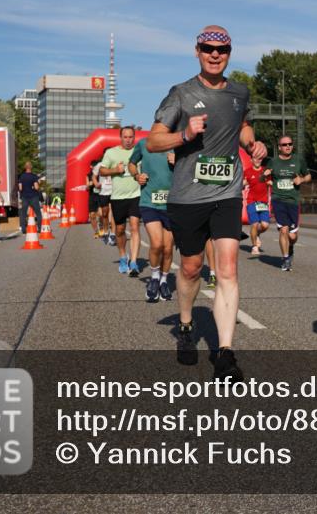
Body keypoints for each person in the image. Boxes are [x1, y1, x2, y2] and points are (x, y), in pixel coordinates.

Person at [146, 25, 267, 380]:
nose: (215, 55)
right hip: (187, 196)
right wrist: (184, 134)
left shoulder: (239, 92)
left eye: (222, 49)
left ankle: (225, 352)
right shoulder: (181, 94)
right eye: (208, 49)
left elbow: (241, 125)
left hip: (227, 193)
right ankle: (185, 326)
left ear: (230, 53)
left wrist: (250, 144)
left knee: (227, 268)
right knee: (190, 268)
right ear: (197, 51)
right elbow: (154, 141)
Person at [130, 138, 176, 302]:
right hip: (150, 202)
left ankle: (164, 281)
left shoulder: (178, 143)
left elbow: (192, 168)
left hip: (172, 203)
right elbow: (132, 163)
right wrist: (137, 176)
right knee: (156, 244)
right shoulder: (144, 143)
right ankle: (154, 278)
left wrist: (179, 162)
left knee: (168, 249)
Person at [100, 126, 142, 277]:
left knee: (135, 227)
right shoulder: (111, 153)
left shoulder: (139, 151)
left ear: (134, 137)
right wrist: (115, 171)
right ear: (120, 137)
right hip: (118, 197)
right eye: (125, 137)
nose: (128, 140)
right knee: (119, 230)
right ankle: (123, 257)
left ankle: (134, 261)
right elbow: (102, 170)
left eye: (131, 137)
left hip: (135, 195)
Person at [266, 137, 310, 271]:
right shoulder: (273, 162)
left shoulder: (298, 160)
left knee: (292, 235)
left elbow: (308, 176)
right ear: (279, 147)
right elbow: (262, 178)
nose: (287, 146)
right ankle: (285, 259)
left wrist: (301, 179)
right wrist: (265, 175)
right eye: (284, 144)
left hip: (293, 201)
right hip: (278, 199)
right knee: (284, 230)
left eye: (290, 144)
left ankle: (290, 247)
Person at [243, 154, 272, 256]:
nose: (258, 160)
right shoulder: (247, 172)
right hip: (251, 201)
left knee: (265, 225)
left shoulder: (266, 171)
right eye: (256, 158)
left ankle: (256, 233)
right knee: (254, 224)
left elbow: (270, 183)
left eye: (260, 159)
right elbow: (243, 183)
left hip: (263, 202)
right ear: (251, 160)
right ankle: (254, 246)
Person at [17, 160, 42, 234]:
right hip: (33, 197)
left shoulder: (21, 176)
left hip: (25, 197)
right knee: (38, 213)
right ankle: (40, 228)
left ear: (25, 168)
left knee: (23, 213)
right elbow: (36, 187)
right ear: (31, 167)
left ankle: (24, 229)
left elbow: (20, 188)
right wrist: (38, 184)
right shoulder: (34, 176)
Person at [93, 154, 114, 244]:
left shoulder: (115, 164)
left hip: (115, 192)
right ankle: (105, 233)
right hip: (103, 192)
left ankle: (113, 235)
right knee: (105, 214)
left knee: (114, 214)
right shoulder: (99, 165)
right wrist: (96, 183)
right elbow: (93, 177)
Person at [88, 159, 101, 238]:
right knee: (92, 215)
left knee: (101, 214)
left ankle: (102, 227)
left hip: (101, 195)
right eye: (94, 167)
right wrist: (89, 185)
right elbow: (86, 187)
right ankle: (96, 231)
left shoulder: (101, 174)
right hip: (92, 196)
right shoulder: (88, 175)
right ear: (91, 167)